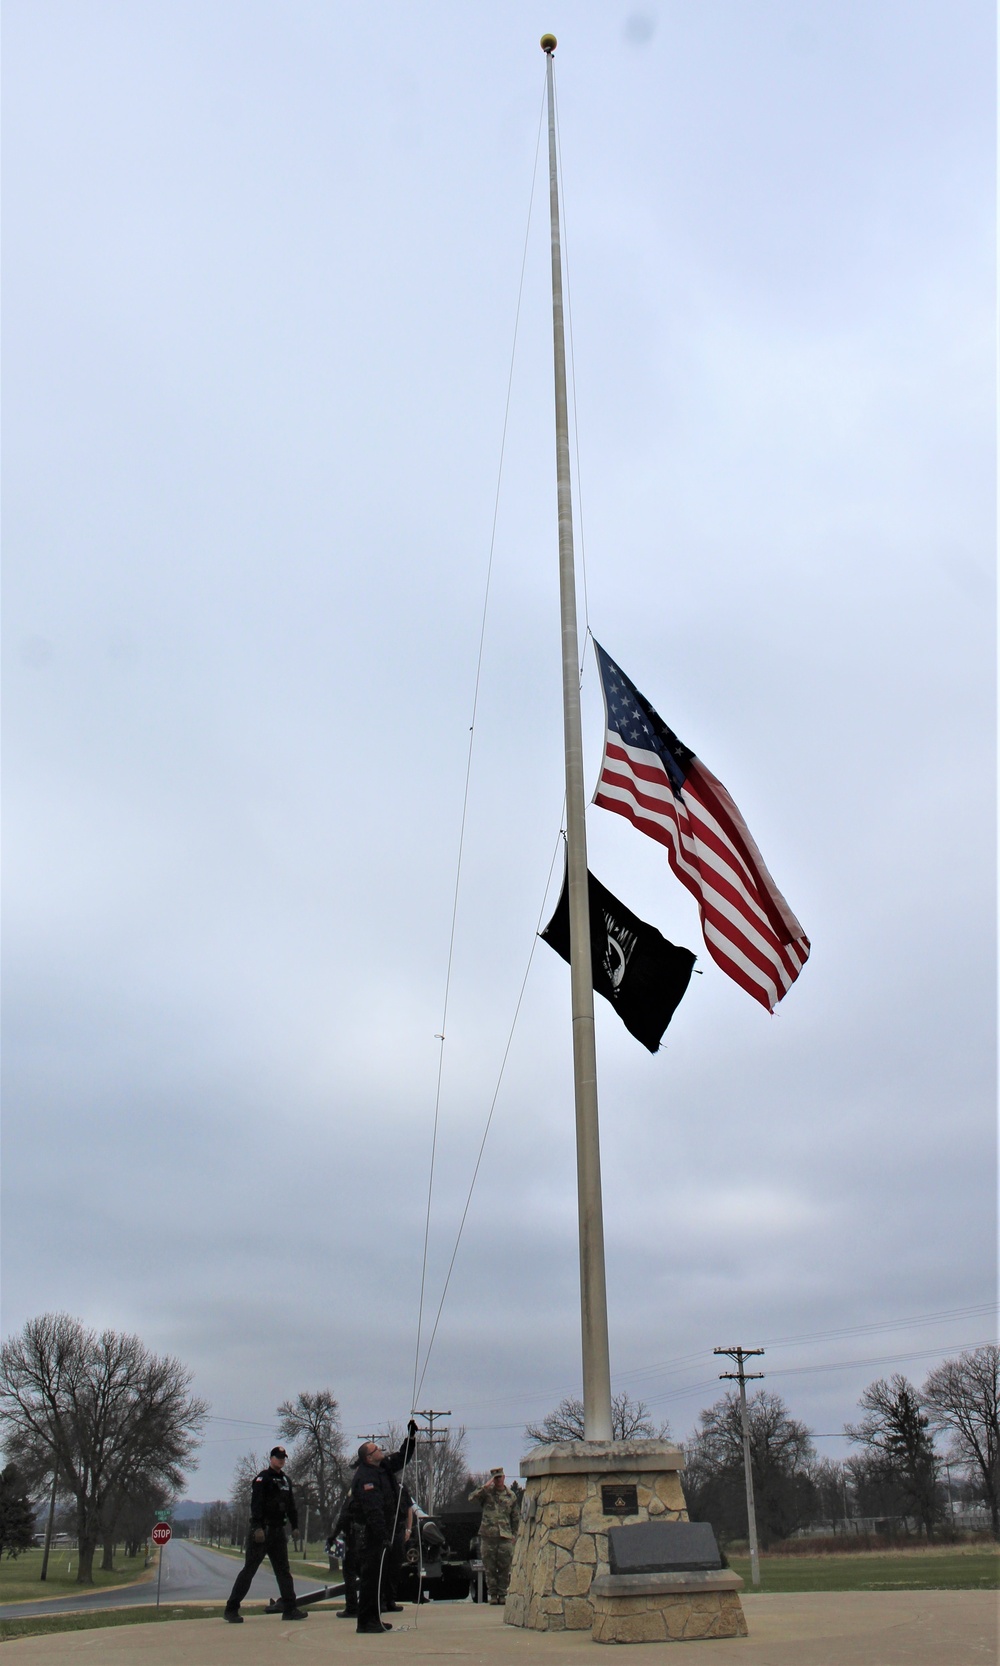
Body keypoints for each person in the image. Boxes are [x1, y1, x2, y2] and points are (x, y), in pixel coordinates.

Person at [224, 1446, 308, 1622]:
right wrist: (257, 1527)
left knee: (284, 1572)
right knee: (249, 1571)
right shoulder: (263, 1478)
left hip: (278, 1532)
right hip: (263, 1532)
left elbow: (291, 1506)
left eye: (283, 1457)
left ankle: (290, 1609)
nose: (281, 1460)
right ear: (271, 1459)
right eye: (278, 1457)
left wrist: (295, 1526)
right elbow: (256, 1504)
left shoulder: (286, 1481)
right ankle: (231, 1609)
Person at [350, 1422, 417, 1634]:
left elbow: (401, 1458)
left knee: (378, 1579)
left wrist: (410, 1438)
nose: (381, 1450)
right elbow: (373, 1511)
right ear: (368, 1457)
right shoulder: (366, 1477)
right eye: (376, 1449)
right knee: (371, 1579)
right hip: (372, 1535)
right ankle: (365, 1622)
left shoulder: (382, 1468)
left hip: (384, 1532)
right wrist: (382, 1536)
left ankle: (374, 1618)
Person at [469, 1467, 519, 1605]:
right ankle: (493, 1594)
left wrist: (515, 1535)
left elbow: (515, 1518)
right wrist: (485, 1486)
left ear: (504, 1477)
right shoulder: (486, 1493)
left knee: (504, 1567)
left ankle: (502, 1594)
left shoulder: (511, 1496)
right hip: (488, 1536)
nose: (498, 1480)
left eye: (500, 1477)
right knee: (489, 1568)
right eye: (495, 1478)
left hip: (505, 1537)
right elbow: (472, 1498)